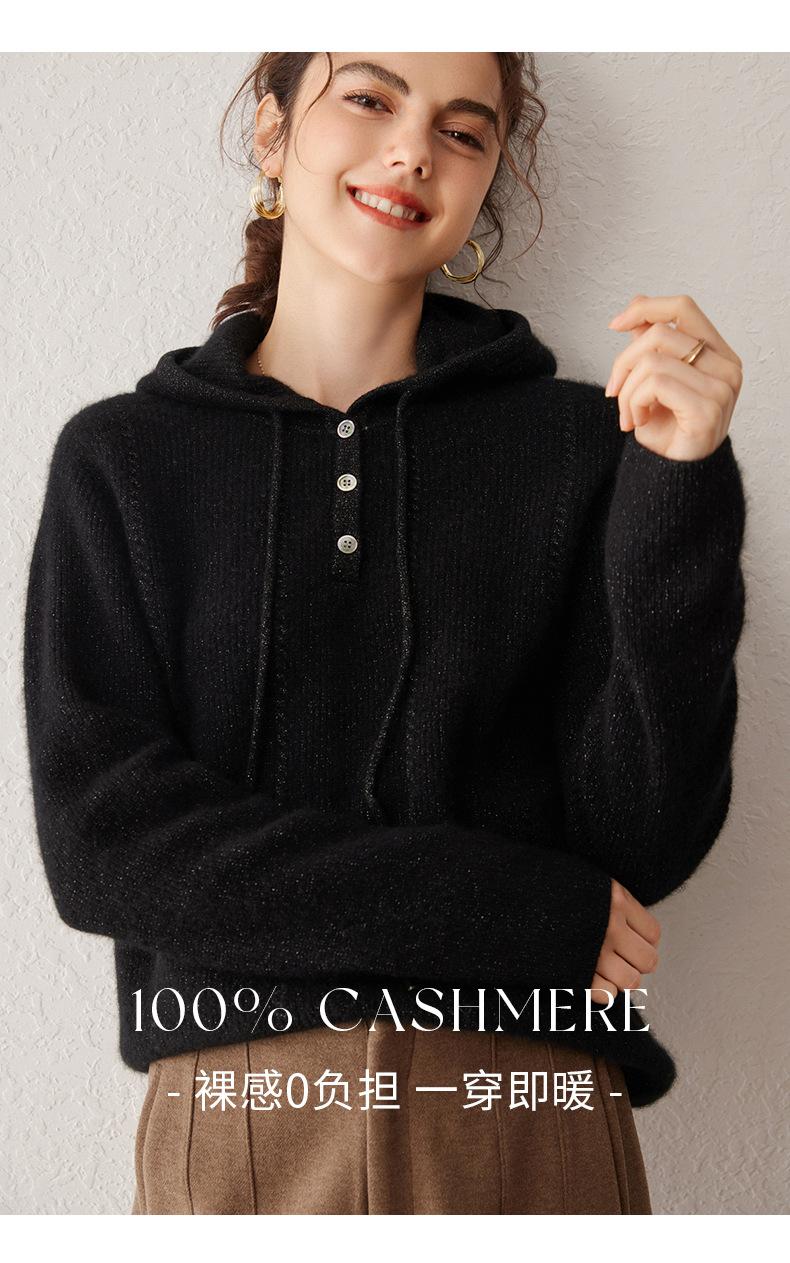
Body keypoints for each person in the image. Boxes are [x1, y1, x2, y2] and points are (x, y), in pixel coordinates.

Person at [23, 52, 746, 1215]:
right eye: (368, 99)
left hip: (526, 1103)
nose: (413, 150)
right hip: (241, 1108)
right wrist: (505, 909)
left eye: (464, 131)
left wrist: (678, 489)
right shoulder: (124, 459)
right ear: (272, 133)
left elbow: (641, 837)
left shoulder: (584, 445)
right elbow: (104, 845)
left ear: (487, 179)